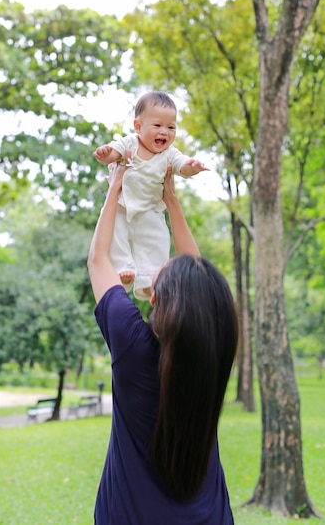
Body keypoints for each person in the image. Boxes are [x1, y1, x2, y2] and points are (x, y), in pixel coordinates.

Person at [87, 156, 239, 525]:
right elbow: (197, 282)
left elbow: (98, 260)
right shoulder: (215, 352)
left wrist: (115, 189)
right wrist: (170, 200)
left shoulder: (133, 345)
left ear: (154, 299)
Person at [93, 90, 209, 300]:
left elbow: (183, 167)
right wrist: (105, 154)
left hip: (150, 209)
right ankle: (123, 269)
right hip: (122, 202)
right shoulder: (130, 143)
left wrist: (193, 167)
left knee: (157, 239)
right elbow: (112, 154)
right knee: (115, 233)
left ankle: (149, 278)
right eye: (157, 125)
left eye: (171, 127)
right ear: (138, 126)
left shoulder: (170, 154)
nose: (164, 132)